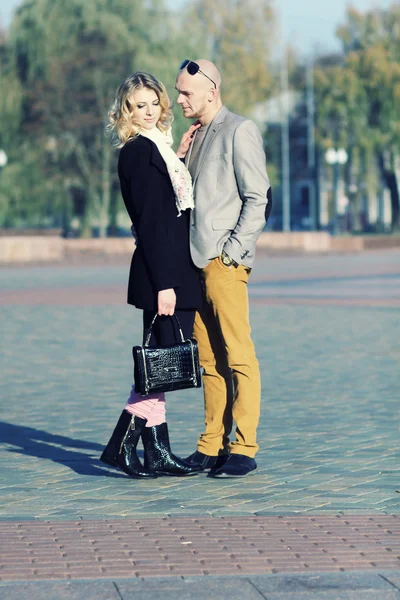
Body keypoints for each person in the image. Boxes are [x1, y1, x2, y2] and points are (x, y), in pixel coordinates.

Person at [100, 72, 202, 478]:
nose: (147, 112)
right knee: (158, 366)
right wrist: (165, 285)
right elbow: (153, 221)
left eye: (153, 103)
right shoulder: (138, 152)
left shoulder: (155, 148)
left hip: (172, 269)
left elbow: (166, 202)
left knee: (161, 363)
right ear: (126, 110)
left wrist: (175, 155)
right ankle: (121, 447)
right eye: (138, 105)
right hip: (165, 274)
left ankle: (158, 452)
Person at [175, 59, 272, 478]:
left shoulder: (239, 130)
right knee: (208, 361)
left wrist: (232, 253)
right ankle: (211, 443)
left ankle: (244, 446)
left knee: (238, 356)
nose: (179, 99)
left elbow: (258, 198)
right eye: (179, 92)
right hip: (194, 264)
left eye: (186, 93)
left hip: (223, 264)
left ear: (211, 91)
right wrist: (178, 157)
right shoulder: (194, 136)